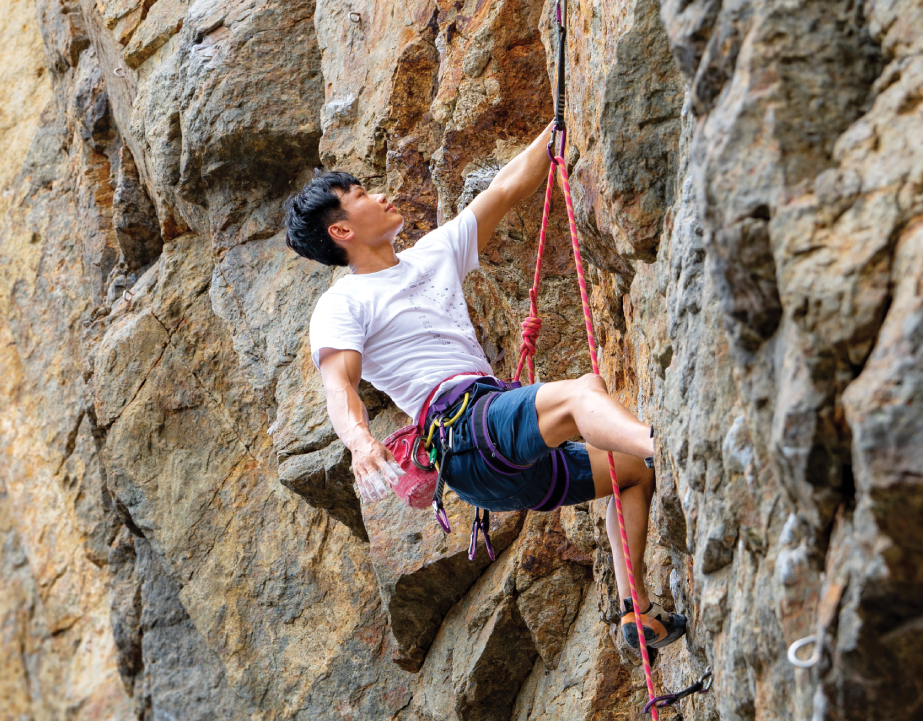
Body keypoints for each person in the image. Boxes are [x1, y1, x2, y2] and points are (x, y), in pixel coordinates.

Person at [283, 122, 687, 657]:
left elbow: (506, 187)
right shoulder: (343, 303)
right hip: (462, 430)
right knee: (581, 392)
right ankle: (673, 446)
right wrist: (359, 441)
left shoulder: (433, 252)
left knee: (632, 472)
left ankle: (637, 610)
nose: (379, 196)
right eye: (360, 195)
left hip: (493, 464)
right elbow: (340, 384)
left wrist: (557, 123)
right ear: (341, 231)